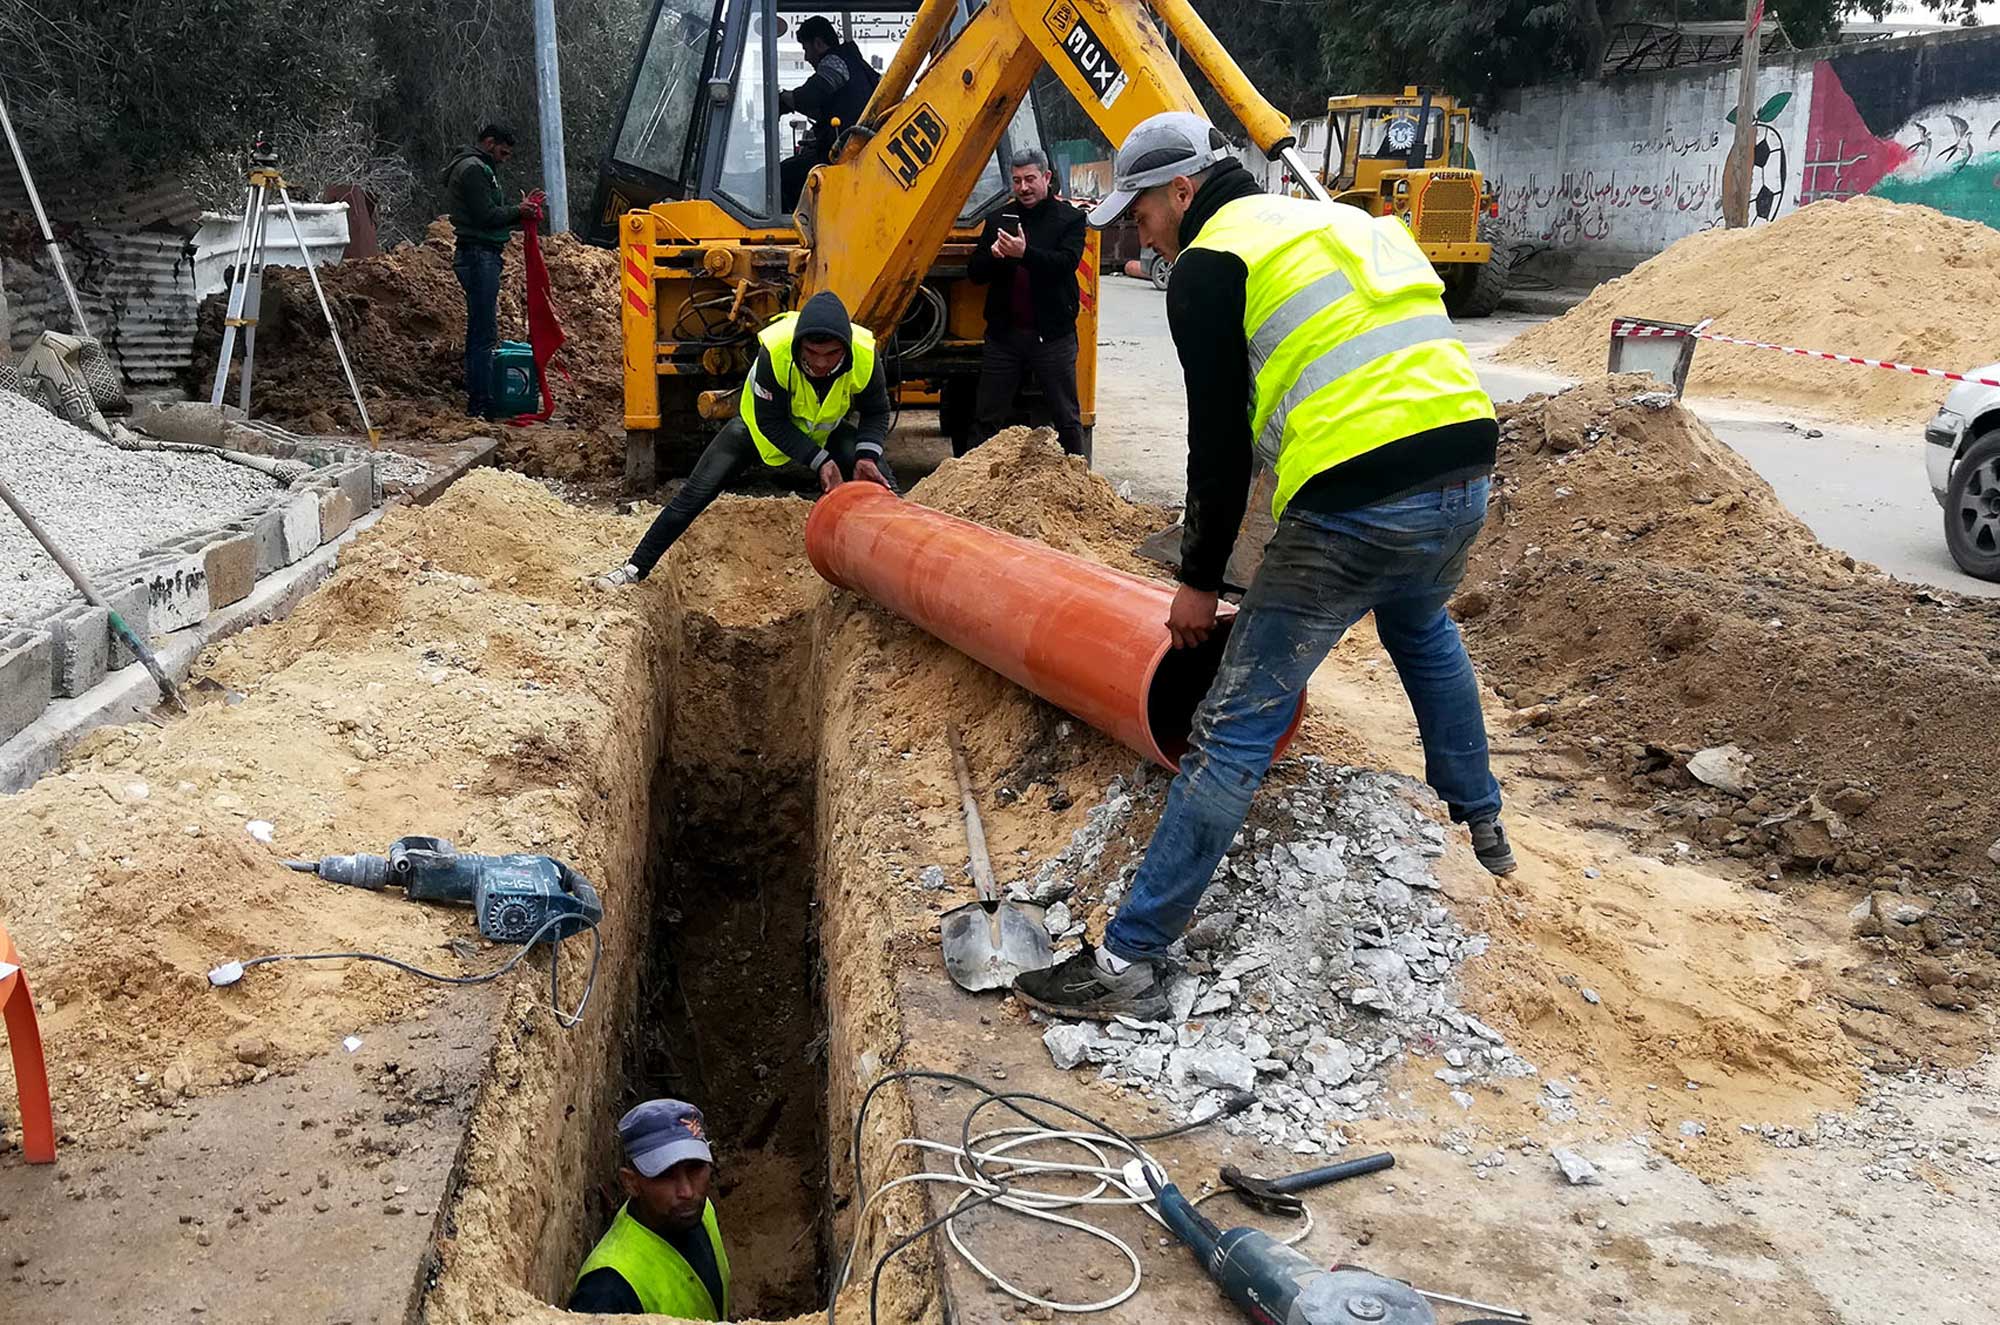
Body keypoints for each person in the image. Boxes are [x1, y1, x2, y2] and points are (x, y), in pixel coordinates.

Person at [1012, 112, 1515, 1022]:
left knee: (1233, 727)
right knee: (1419, 619)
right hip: (1467, 471)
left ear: (1183, 191)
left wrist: (1199, 578)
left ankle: (1128, 962)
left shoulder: (1213, 263)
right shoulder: (1339, 221)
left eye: (1144, 211)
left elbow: (1219, 442)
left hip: (1358, 498)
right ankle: (1480, 812)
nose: (1139, 231)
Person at [596, 290, 895, 587]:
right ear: (799, 345)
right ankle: (635, 568)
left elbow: (877, 411)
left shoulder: (864, 354)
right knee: (694, 494)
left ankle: (898, 563)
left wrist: (866, 454)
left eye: (831, 355)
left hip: (824, 431)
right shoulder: (776, 351)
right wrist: (820, 461)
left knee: (881, 481)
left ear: (845, 348)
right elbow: (771, 421)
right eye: (812, 354)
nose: (820, 364)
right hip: (755, 430)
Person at [963, 149, 1088, 457]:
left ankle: (1080, 483)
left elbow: (1065, 263)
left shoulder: (1069, 220)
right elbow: (975, 274)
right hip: (1004, 338)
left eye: (1030, 179)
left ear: (1046, 177)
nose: (1024, 188)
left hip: (1053, 337)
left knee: (1067, 418)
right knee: (986, 419)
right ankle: (971, 482)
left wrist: (1024, 253)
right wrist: (993, 256)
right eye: (1017, 181)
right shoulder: (997, 219)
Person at [569, 1099, 730, 1317]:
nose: (687, 1192)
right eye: (665, 1174)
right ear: (631, 1182)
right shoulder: (608, 1289)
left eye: (695, 1167)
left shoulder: (700, 1211)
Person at [444, 124, 543, 418]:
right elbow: (485, 216)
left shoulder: (479, 167)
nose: (504, 159)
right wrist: (518, 211)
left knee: (482, 331)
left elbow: (491, 218)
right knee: (483, 334)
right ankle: (480, 404)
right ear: (489, 143)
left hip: (481, 254)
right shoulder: (474, 170)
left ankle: (482, 399)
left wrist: (520, 214)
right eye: (502, 152)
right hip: (478, 256)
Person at [778, 16, 880, 213]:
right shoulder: (858, 66)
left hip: (841, 155)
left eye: (806, 49)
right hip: (856, 151)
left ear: (818, 43)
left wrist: (784, 97)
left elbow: (810, 96)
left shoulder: (836, 61)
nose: (806, 57)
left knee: (782, 175)